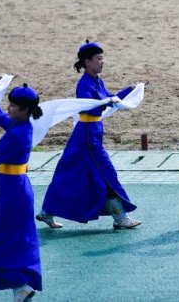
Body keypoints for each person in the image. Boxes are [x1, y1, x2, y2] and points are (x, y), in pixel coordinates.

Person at [36, 40, 141, 230]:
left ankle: (46, 212)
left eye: (102, 58)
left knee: (70, 176)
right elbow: (93, 109)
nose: (103, 62)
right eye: (99, 59)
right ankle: (120, 218)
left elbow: (109, 99)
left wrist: (130, 90)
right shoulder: (84, 84)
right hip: (88, 137)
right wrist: (108, 101)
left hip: (91, 134)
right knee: (106, 173)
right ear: (87, 62)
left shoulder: (97, 80)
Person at [0, 84, 43, 302]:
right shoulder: (22, 126)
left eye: (12, 105)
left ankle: (19, 287)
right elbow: (3, 119)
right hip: (17, 189)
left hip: (12, 193)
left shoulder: (15, 135)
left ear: (24, 110)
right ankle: (20, 288)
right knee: (13, 240)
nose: (8, 108)